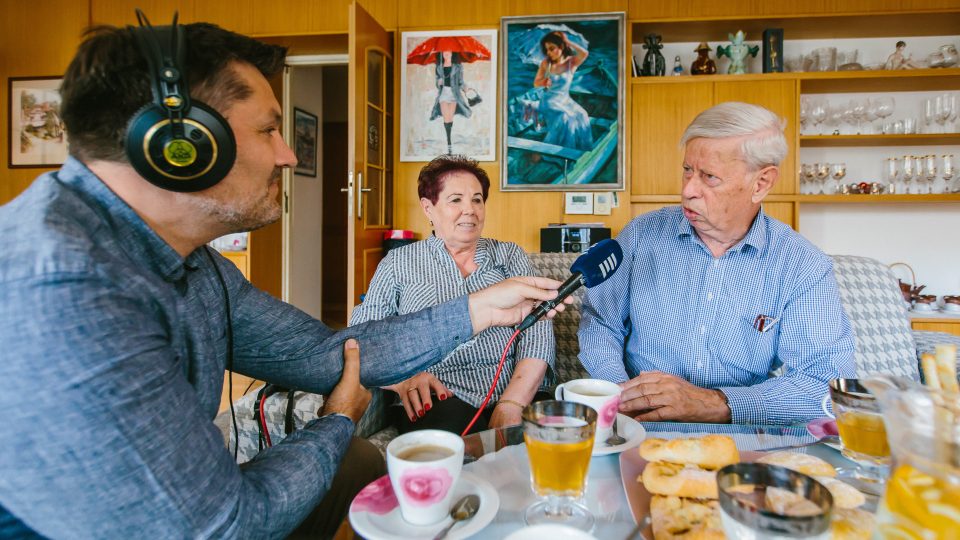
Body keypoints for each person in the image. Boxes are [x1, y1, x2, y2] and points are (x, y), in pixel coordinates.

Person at [0, 20, 570, 539]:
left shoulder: (200, 267)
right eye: (270, 128)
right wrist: (338, 421)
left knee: (366, 466)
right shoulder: (63, 291)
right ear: (183, 148)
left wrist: (475, 310)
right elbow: (224, 524)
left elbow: (326, 354)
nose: (288, 154)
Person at [578, 102, 856, 426]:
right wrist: (620, 393)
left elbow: (824, 386)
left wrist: (715, 404)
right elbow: (599, 321)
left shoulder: (802, 266)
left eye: (709, 177)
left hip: (739, 433)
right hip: (638, 424)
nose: (687, 191)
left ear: (762, 183)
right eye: (687, 170)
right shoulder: (641, 236)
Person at [350, 155, 555, 434]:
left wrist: (512, 403)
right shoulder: (400, 262)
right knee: (456, 454)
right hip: (438, 395)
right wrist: (403, 380)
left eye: (477, 199)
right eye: (456, 200)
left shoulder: (508, 255)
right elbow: (363, 337)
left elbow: (537, 335)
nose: (470, 210)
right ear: (428, 207)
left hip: (514, 389)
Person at [534, 31, 592, 151]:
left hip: (565, 100)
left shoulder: (571, 62)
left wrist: (567, 41)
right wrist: (544, 81)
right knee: (566, 117)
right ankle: (561, 153)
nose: (549, 53)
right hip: (549, 101)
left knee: (582, 114)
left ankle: (582, 149)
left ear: (561, 47)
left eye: (552, 48)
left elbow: (585, 53)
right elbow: (536, 83)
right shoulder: (546, 64)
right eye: (547, 50)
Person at [430, 51, 474, 155]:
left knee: (450, 117)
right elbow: (437, 82)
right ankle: (449, 142)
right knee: (446, 118)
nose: (446, 53)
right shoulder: (439, 67)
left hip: (454, 95)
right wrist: (438, 82)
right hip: (444, 94)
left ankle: (449, 142)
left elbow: (460, 81)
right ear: (441, 53)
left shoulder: (458, 67)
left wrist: (465, 88)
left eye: (448, 51)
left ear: (452, 53)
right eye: (444, 51)